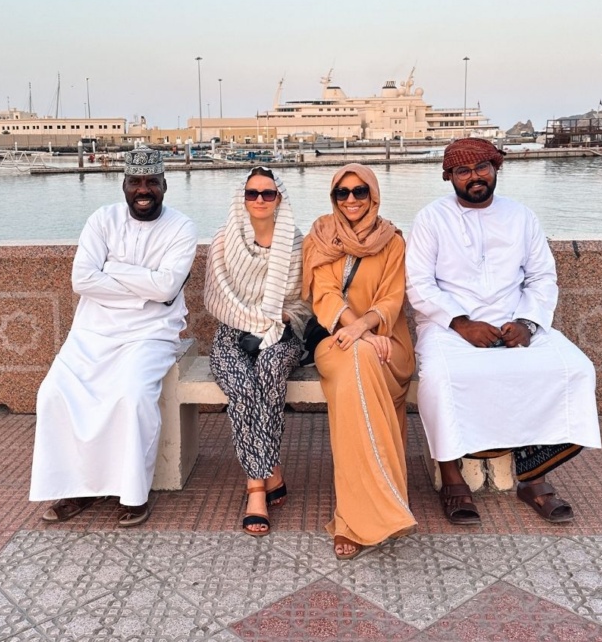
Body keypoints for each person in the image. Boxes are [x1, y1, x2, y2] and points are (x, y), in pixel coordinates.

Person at [405, 137, 601, 524]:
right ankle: (452, 479)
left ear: (496, 169)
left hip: (516, 321)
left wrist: (527, 323)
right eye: (463, 171)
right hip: (449, 327)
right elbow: (419, 284)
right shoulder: (431, 219)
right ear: (449, 177)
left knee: (575, 370)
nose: (474, 177)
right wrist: (461, 323)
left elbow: (542, 277)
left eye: (482, 168)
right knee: (442, 380)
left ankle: (534, 477)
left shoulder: (522, 217)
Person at [29, 146, 198, 527]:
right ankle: (78, 488)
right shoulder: (102, 220)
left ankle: (133, 494)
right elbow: (82, 280)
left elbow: (167, 288)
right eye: (135, 182)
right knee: (53, 393)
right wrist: (144, 285)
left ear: (164, 185)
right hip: (93, 332)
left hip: (151, 333)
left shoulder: (182, 227)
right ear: (124, 185)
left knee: (133, 396)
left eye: (151, 182)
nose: (143, 190)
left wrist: (113, 269)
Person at [303, 164, 417, 560]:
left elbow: (392, 298)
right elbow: (325, 296)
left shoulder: (392, 241)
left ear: (373, 195)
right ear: (333, 197)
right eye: (343, 192)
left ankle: (365, 511)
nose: (351, 199)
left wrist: (366, 329)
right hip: (335, 339)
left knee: (362, 362)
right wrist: (358, 334)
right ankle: (359, 515)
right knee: (357, 360)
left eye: (359, 191)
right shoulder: (321, 235)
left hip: (388, 342)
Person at [204, 167, 309, 536]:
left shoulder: (295, 243)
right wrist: (256, 318)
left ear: (279, 198)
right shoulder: (224, 240)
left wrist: (275, 319)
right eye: (252, 193)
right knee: (243, 386)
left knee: (269, 370)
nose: (260, 200)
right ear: (242, 198)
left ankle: (255, 489)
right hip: (232, 335)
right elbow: (216, 298)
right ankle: (267, 475)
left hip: (282, 335)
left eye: (268, 193)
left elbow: (304, 302)